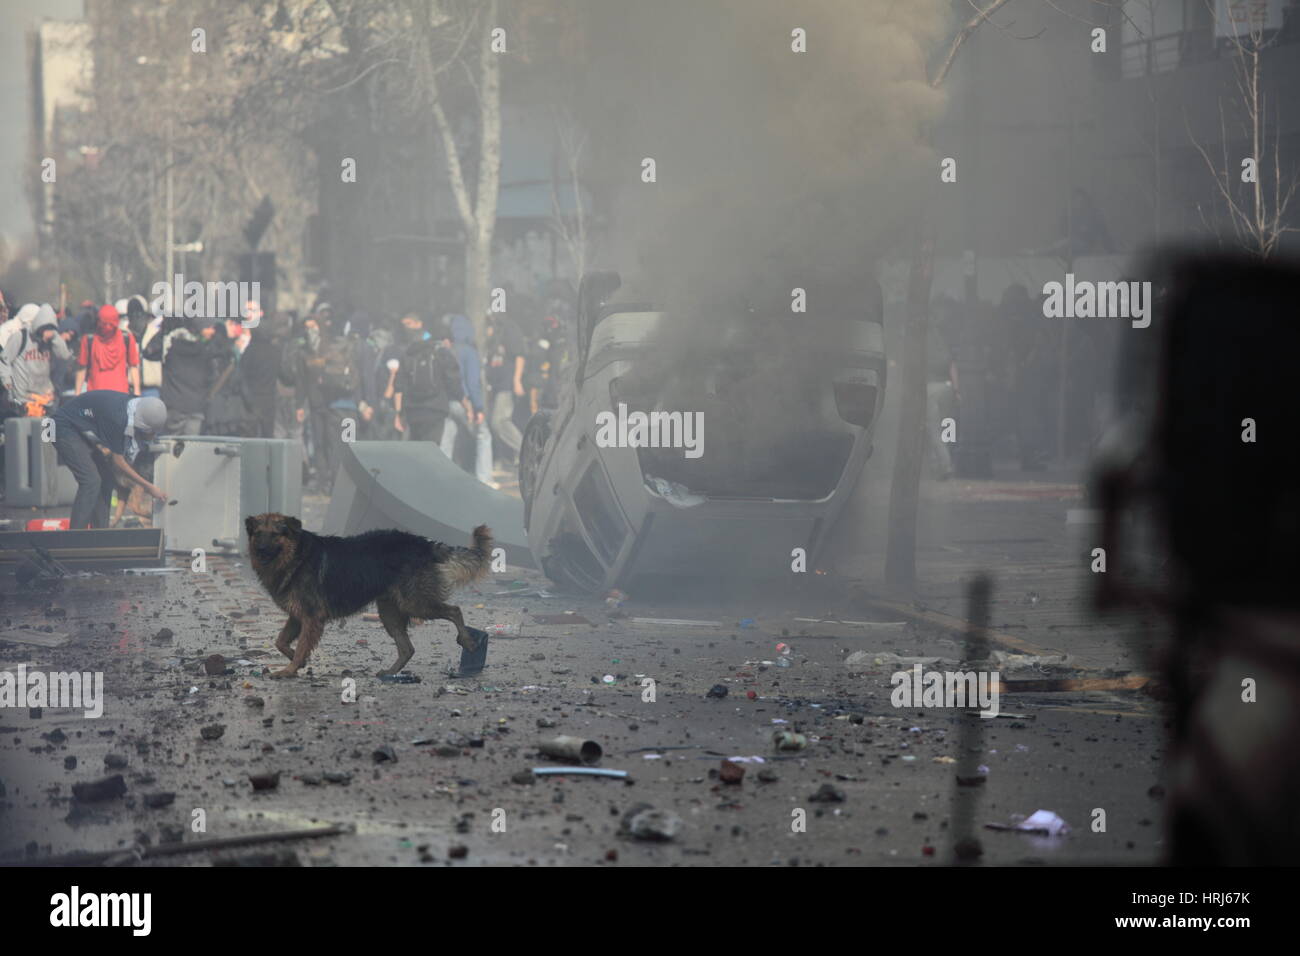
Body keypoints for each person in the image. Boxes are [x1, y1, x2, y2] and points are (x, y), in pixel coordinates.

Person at [51, 390, 168, 529]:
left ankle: (101, 533)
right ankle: (76, 537)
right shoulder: (119, 419)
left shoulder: (137, 405)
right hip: (57, 427)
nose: (153, 435)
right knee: (91, 481)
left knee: (106, 480)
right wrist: (149, 487)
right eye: (151, 432)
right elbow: (119, 462)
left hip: (80, 428)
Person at [439, 313, 494, 486]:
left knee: (447, 440)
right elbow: (473, 383)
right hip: (466, 404)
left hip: (448, 402)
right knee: (483, 436)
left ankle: (441, 479)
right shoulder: (469, 352)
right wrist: (478, 408)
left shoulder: (447, 350)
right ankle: (484, 479)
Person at [393, 311, 459, 442]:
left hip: (413, 408)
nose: (406, 327)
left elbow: (399, 386)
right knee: (432, 448)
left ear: (419, 324)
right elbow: (452, 378)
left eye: (409, 323)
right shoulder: (437, 348)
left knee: (416, 450)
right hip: (436, 407)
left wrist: (399, 413)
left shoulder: (408, 351)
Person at [1, 305, 70, 419]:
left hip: (45, 400)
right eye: (45, 329)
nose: (46, 334)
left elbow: (64, 356)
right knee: (23, 434)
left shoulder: (52, 341)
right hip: (22, 400)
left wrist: (55, 337)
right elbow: (4, 359)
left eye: (50, 329)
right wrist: (7, 380)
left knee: (46, 435)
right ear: (38, 326)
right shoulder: (21, 337)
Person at [484, 311, 526, 471]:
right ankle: (507, 460)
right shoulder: (491, 336)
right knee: (493, 423)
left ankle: (526, 451)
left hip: (506, 385)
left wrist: (516, 380)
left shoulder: (509, 330)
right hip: (494, 387)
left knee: (499, 421)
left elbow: (520, 356)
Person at [76, 304, 140, 395]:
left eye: (111, 324)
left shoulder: (127, 338)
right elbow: (82, 368)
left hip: (117, 397)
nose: (107, 327)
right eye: (104, 324)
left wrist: (137, 391)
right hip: (97, 396)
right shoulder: (88, 340)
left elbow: (133, 366)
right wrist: (77, 393)